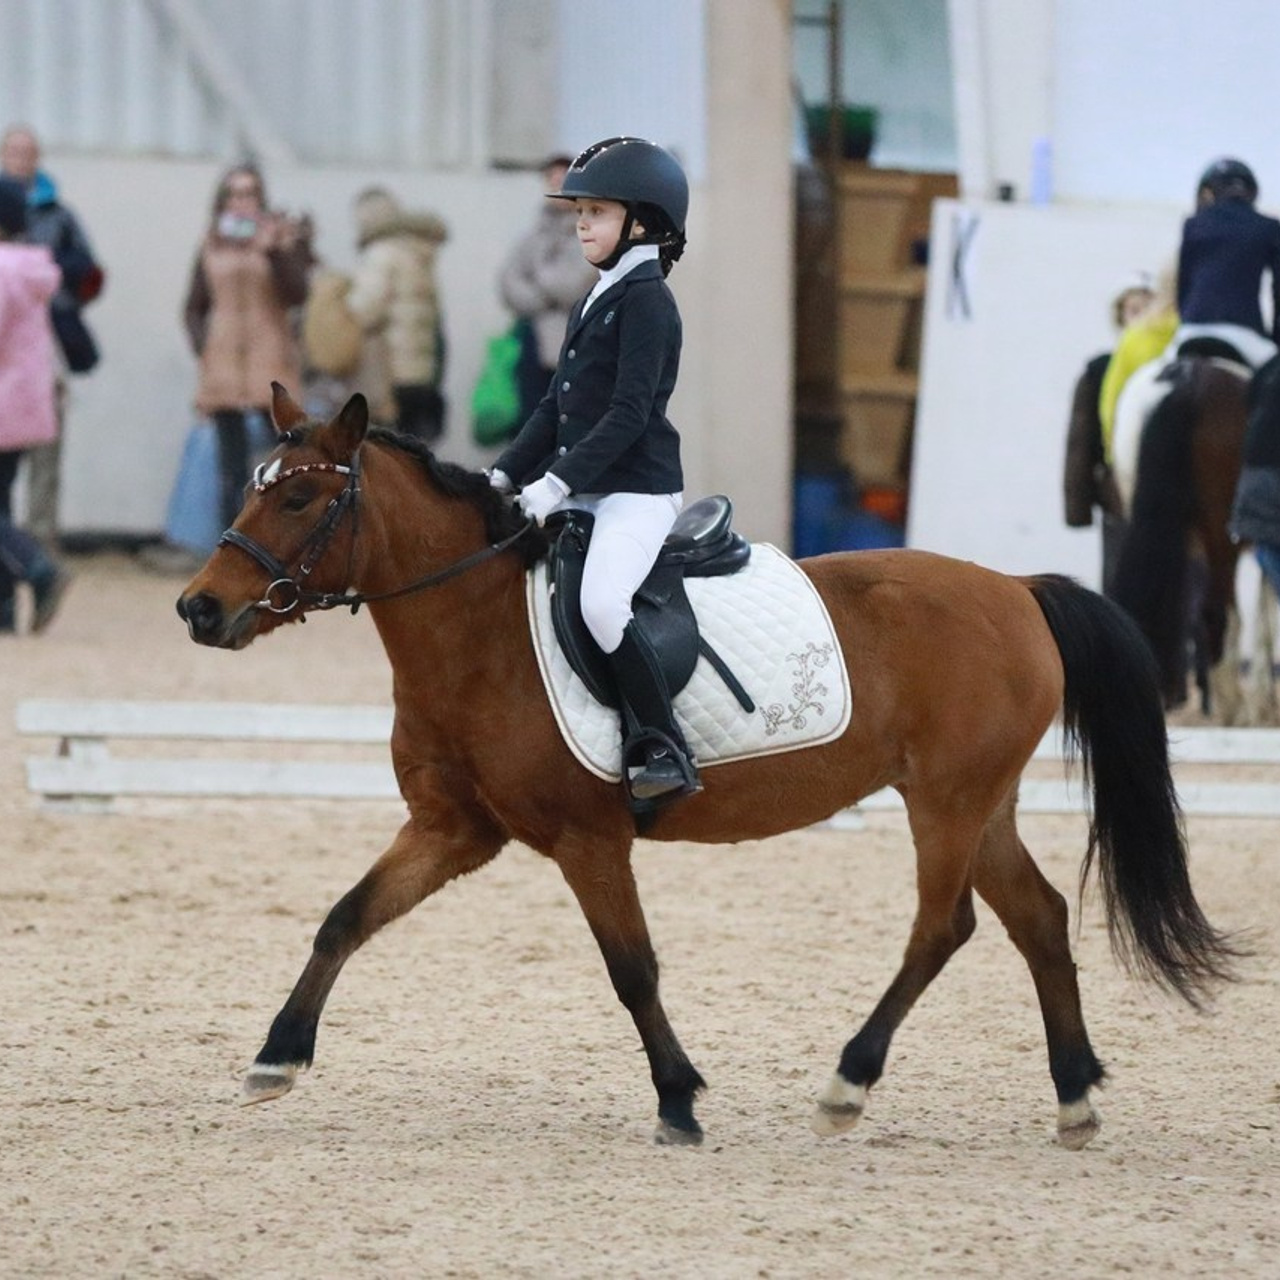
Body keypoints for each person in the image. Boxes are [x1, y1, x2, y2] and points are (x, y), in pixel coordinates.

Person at [487, 136, 698, 807]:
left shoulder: (648, 301)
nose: (581, 223)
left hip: (638, 492)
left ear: (644, 220)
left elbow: (630, 413)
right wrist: (500, 477)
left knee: (603, 603)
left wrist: (555, 484)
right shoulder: (595, 295)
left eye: (597, 212)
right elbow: (554, 407)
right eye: (579, 211)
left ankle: (661, 744)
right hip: (589, 487)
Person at [182, 163, 313, 531]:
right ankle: (232, 542)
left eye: (249, 194)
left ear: (260, 200)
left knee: (285, 457)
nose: (241, 203)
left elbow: (298, 294)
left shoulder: (279, 240)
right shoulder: (210, 245)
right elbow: (193, 306)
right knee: (231, 468)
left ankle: (287, 537)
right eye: (234, 195)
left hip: (271, 358)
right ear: (222, 203)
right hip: (224, 364)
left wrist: (274, 250)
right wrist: (204, 346)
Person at [0, 123, 104, 547]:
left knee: (46, 452)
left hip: (45, 344)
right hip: (23, 352)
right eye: (13, 151)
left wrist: (60, 294)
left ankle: (39, 544)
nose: (21, 160)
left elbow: (89, 274)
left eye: (28, 152)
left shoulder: (59, 216)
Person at [0, 176, 71, 634]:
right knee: (1, 503)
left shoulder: (2, 269)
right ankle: (4, 609)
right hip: (23, 404)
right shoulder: (28, 266)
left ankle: (38, 565)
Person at [1063, 272, 1158, 595]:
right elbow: (1081, 441)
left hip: (1163, 489)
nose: (1140, 318)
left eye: (1147, 309)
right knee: (1119, 578)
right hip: (1116, 492)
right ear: (1120, 316)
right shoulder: (1101, 370)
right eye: (1133, 310)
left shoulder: (1170, 369)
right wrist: (1078, 505)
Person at [497, 154, 598, 425]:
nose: (556, 186)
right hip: (533, 342)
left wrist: (537, 275)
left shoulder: (590, 234)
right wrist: (543, 295)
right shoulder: (532, 236)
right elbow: (509, 283)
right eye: (550, 180)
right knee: (531, 421)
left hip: (575, 344)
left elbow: (574, 284)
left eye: (562, 179)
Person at [345, 186, 448, 443]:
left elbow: (366, 310)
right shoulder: (419, 253)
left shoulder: (381, 254)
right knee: (412, 449)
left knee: (386, 449)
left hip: (390, 369)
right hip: (421, 370)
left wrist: (341, 304)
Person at [1174, 157, 1280, 370]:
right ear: (1251, 192)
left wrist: (1186, 322)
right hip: (1244, 332)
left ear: (1207, 193)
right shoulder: (1268, 227)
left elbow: (1183, 288)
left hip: (1192, 329)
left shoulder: (1193, 225)